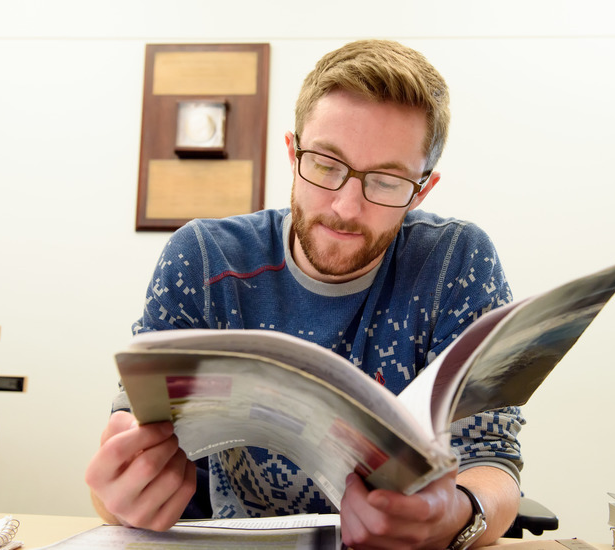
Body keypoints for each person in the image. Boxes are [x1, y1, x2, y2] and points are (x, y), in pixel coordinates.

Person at [86, 39, 524, 549]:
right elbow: (129, 440)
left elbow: (493, 462)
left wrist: (455, 515)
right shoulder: (204, 259)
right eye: (325, 164)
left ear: (423, 189)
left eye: (385, 181)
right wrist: (116, 495)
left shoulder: (456, 262)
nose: (345, 206)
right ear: (293, 152)